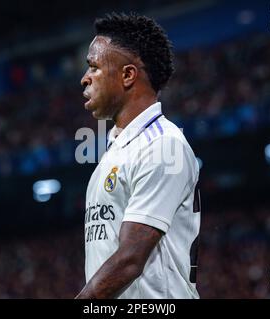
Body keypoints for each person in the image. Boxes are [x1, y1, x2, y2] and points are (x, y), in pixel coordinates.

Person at [75, 12, 201, 299]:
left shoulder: (163, 145)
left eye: (93, 67)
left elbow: (130, 259)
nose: (84, 79)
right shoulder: (116, 150)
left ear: (128, 75)